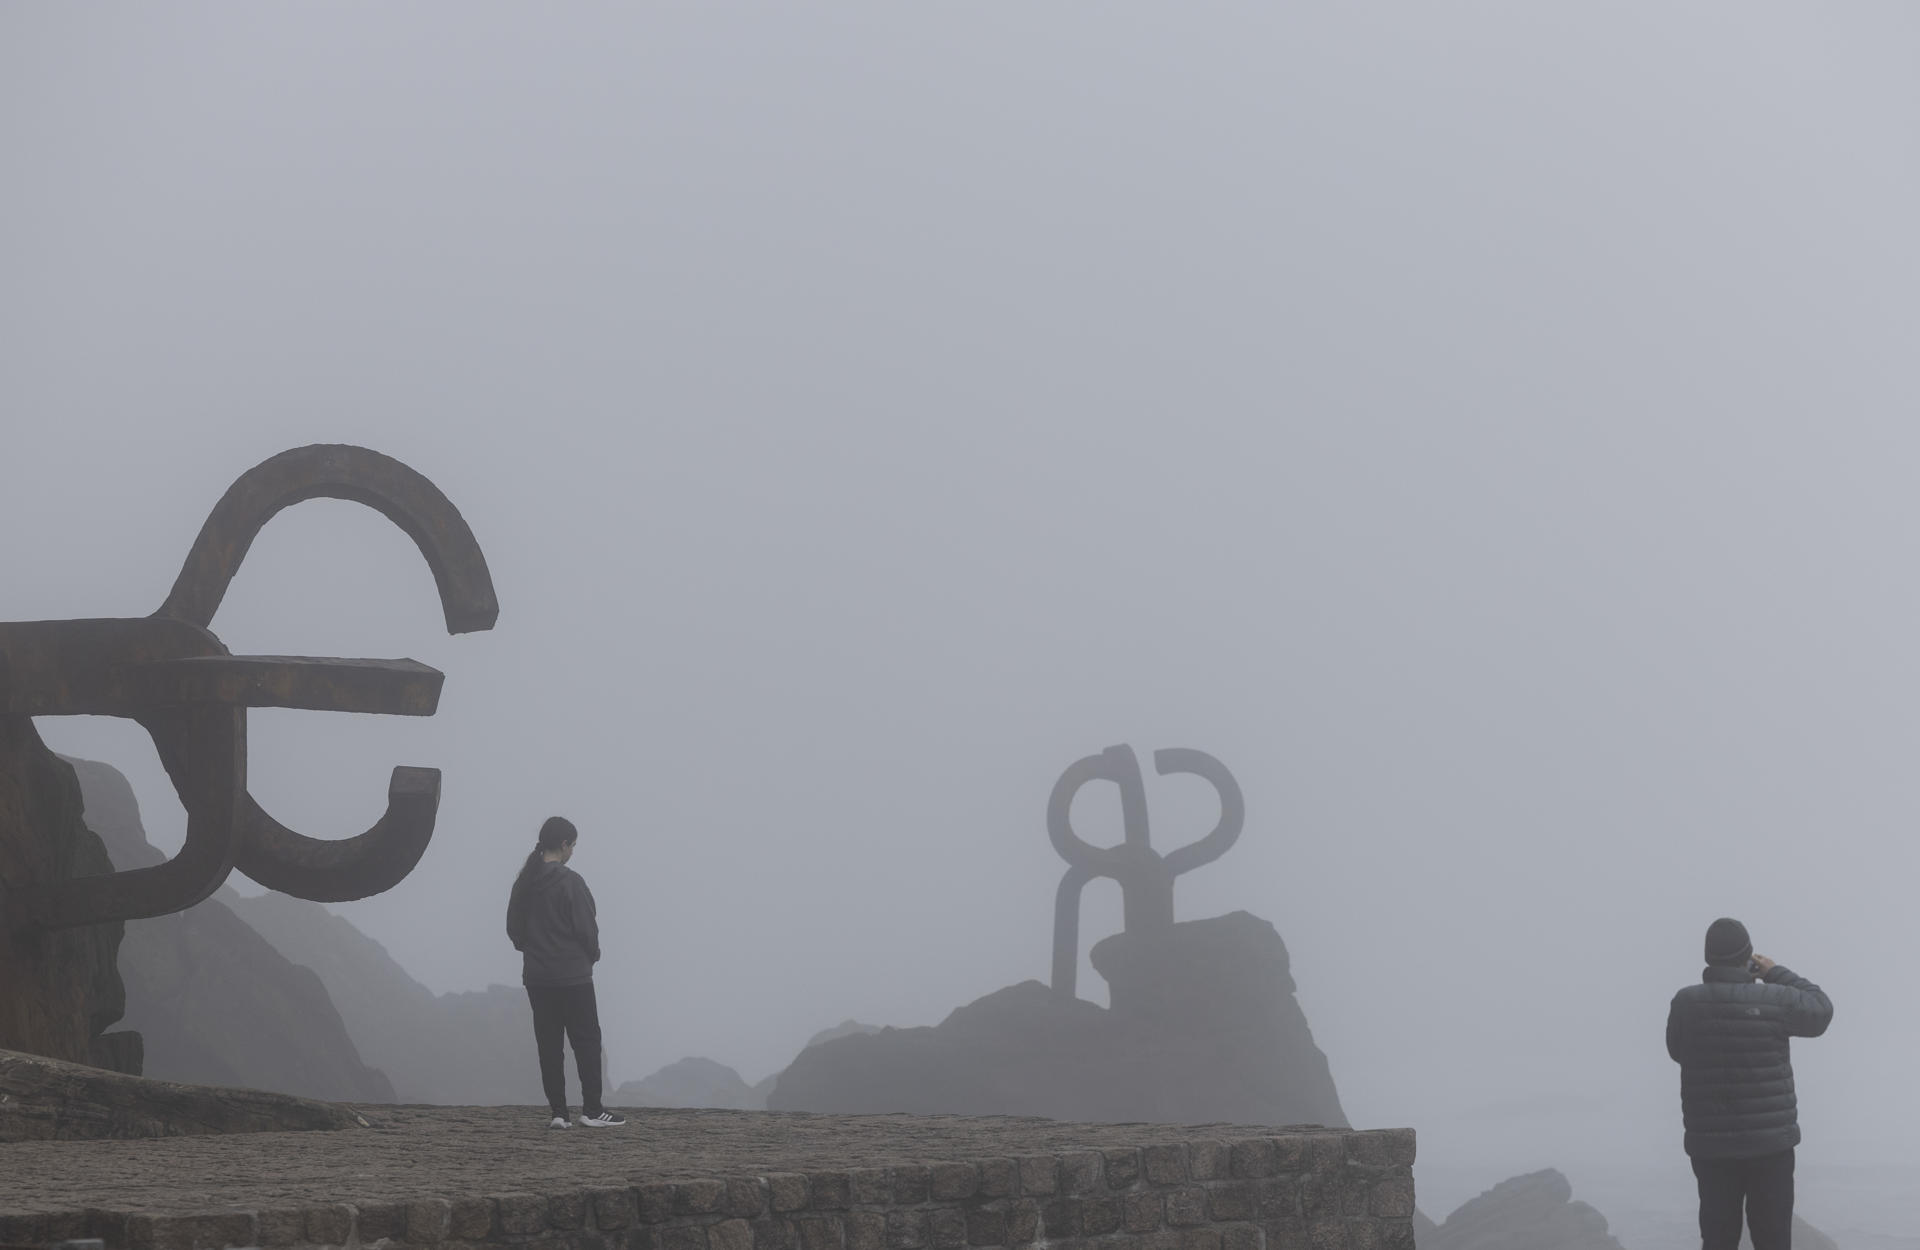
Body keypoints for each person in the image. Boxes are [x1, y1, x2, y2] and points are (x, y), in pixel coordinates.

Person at [1666, 917, 1831, 1249]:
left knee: (1718, 1239)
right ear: (1749, 957)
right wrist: (1773, 972)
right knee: (1772, 1240)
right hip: (1771, 1148)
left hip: (1711, 1149)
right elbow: (1821, 1010)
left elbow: (1677, 1051)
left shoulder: (1686, 1003)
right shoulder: (1776, 999)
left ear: (1708, 957)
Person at [505, 816, 626, 1129]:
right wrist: (591, 956)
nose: (573, 851)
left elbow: (513, 928)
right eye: (573, 845)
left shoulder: (525, 881)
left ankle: (559, 1113)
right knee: (586, 1040)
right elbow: (587, 929)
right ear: (564, 844)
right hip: (573, 976)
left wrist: (532, 950)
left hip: (537, 976)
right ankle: (592, 1110)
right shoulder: (570, 882)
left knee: (549, 1044)